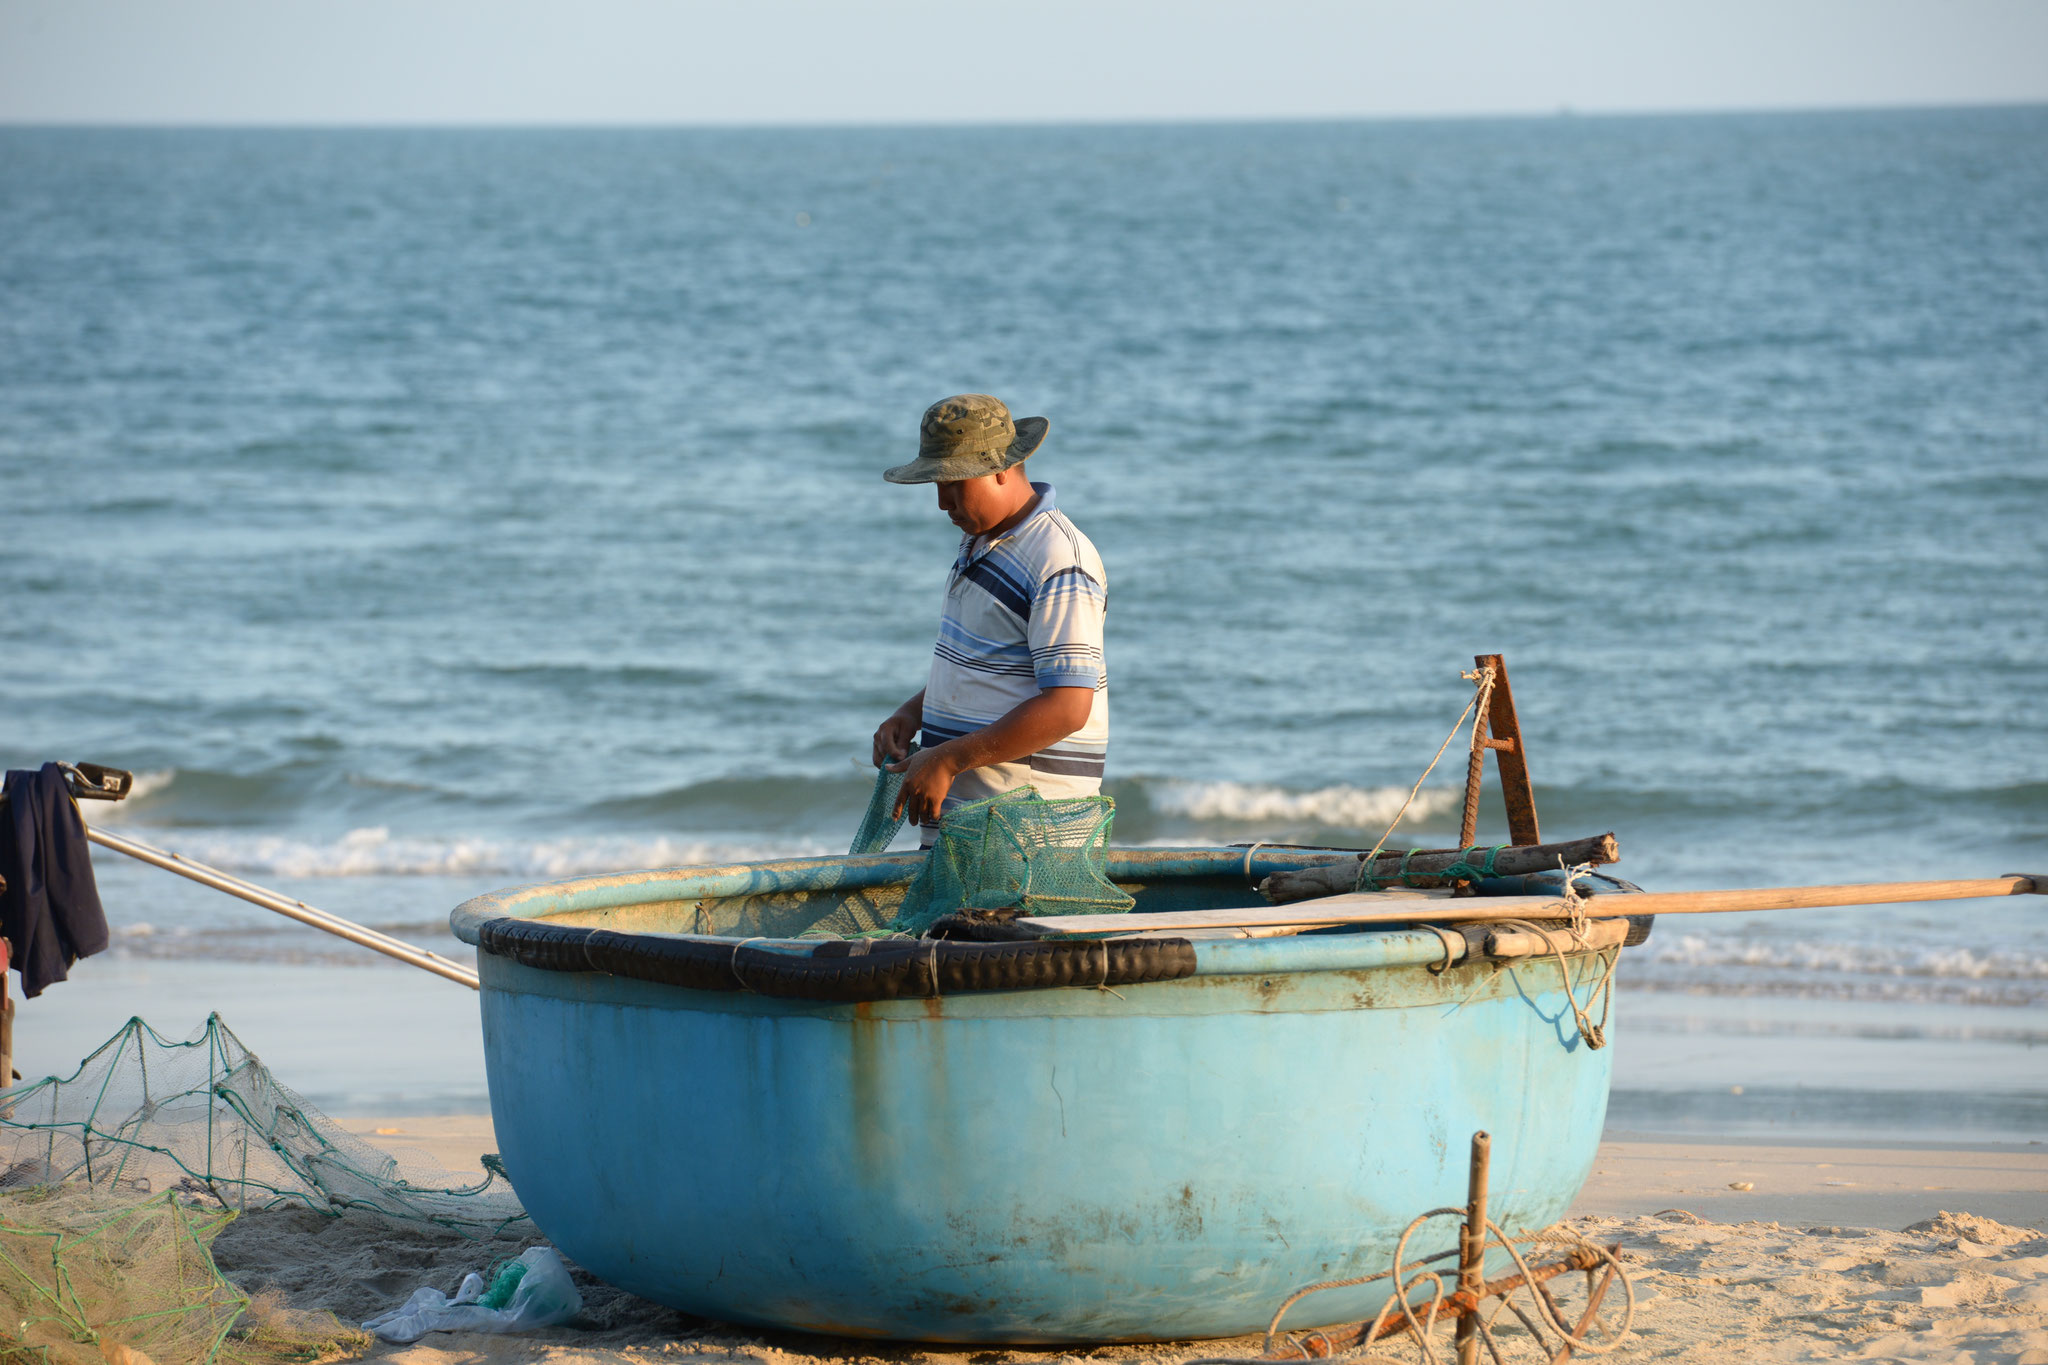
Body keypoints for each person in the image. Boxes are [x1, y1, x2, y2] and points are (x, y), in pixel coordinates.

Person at [871, 394, 1108, 839]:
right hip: (970, 825)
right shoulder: (980, 544)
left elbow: (1068, 707)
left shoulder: (1057, 558)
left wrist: (946, 759)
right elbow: (986, 664)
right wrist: (912, 713)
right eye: (936, 486)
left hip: (1029, 832)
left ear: (1000, 469)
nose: (943, 503)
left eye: (954, 483)